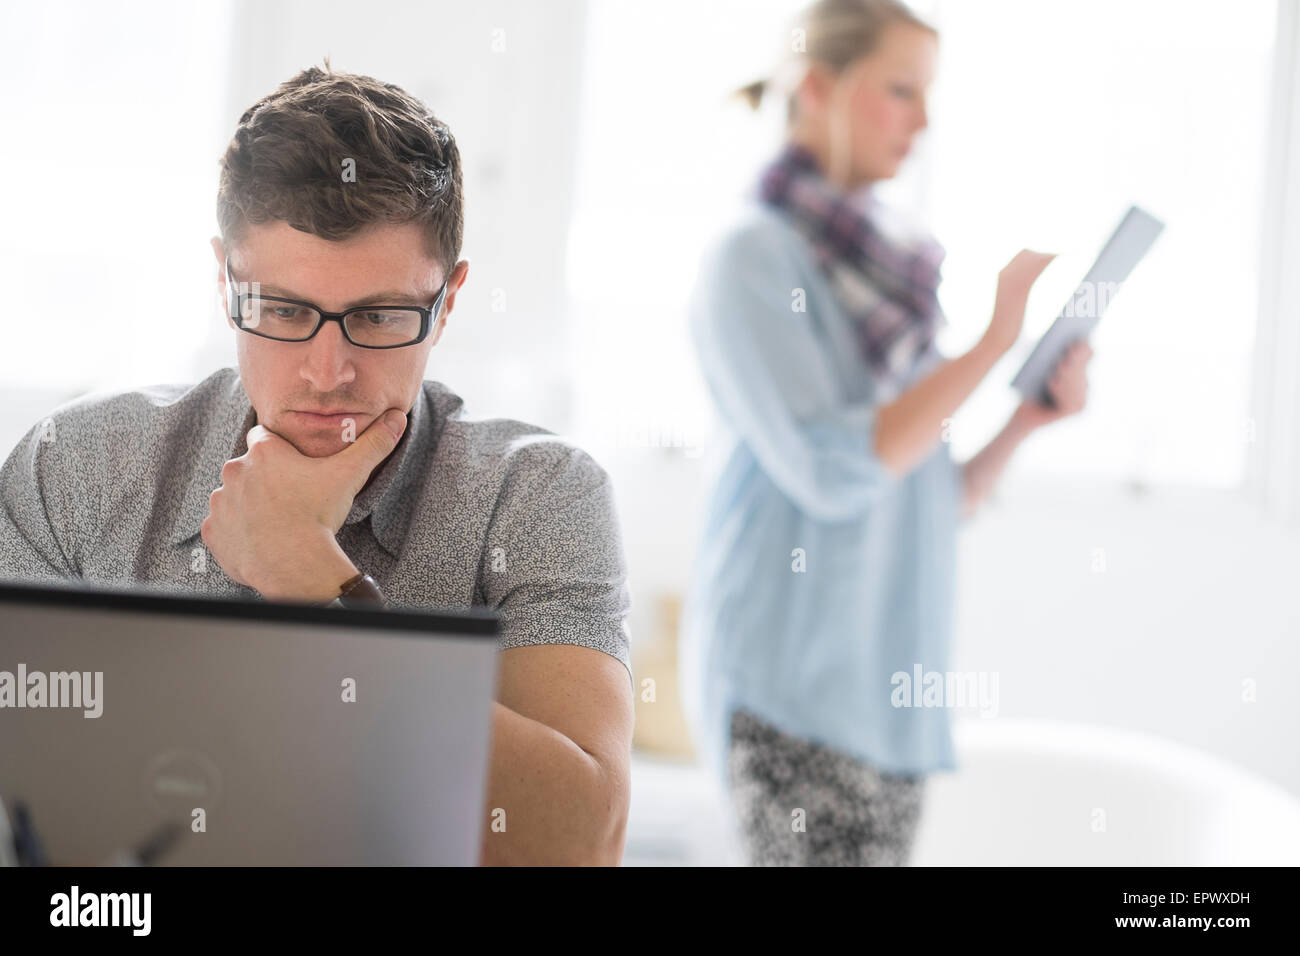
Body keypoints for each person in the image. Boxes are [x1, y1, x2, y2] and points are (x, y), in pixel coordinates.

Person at [0, 62, 633, 866]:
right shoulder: (76, 470)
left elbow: (577, 845)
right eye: (284, 310)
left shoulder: (540, 495)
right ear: (225, 282)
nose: (327, 370)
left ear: (449, 301)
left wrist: (318, 588)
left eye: (378, 317)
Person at [680, 0, 1093, 866]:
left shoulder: (892, 277)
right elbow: (834, 470)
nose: (925, 119)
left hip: (889, 705)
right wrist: (990, 344)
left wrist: (1023, 420)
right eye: (901, 90)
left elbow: (928, 498)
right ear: (820, 88)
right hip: (791, 697)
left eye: (928, 93)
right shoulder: (750, 257)